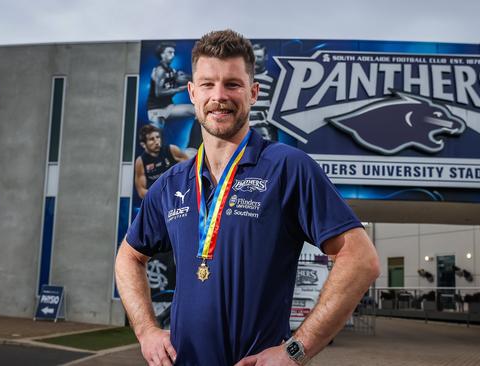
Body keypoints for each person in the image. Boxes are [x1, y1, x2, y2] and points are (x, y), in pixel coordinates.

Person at [116, 29, 380, 366]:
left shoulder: (287, 167)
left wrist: (295, 350)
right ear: (193, 93)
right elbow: (128, 257)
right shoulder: (170, 184)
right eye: (208, 84)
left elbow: (360, 259)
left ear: (253, 93)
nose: (219, 96)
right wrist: (146, 331)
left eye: (233, 84)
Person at [147, 42, 196, 129]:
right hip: (156, 110)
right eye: (169, 52)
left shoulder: (171, 70)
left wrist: (196, 79)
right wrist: (179, 89)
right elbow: (159, 92)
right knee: (156, 135)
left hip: (169, 107)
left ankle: (196, 141)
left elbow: (181, 78)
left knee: (196, 111)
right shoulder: (160, 70)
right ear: (162, 55)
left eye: (173, 52)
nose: (173, 55)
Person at [134, 124, 188, 199]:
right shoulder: (141, 161)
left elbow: (191, 168)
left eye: (158, 137)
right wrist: (160, 195)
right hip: (159, 200)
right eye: (151, 139)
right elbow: (141, 191)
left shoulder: (172, 150)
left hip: (178, 193)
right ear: (143, 145)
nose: (157, 142)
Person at [249, 43, 279, 141]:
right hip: (242, 129)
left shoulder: (272, 80)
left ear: (265, 57)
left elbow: (277, 107)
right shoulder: (243, 79)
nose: (256, 60)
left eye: (259, 57)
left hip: (263, 129)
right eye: (254, 57)